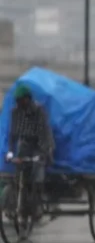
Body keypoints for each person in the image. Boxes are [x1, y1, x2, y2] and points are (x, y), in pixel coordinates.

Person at [5, 84, 54, 218]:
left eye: (21, 100)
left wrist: (46, 151)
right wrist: (10, 151)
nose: (19, 103)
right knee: (19, 170)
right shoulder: (15, 112)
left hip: (39, 144)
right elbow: (12, 134)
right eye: (17, 100)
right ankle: (16, 201)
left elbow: (45, 132)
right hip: (24, 144)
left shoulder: (39, 110)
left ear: (27, 99)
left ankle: (37, 202)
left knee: (37, 171)